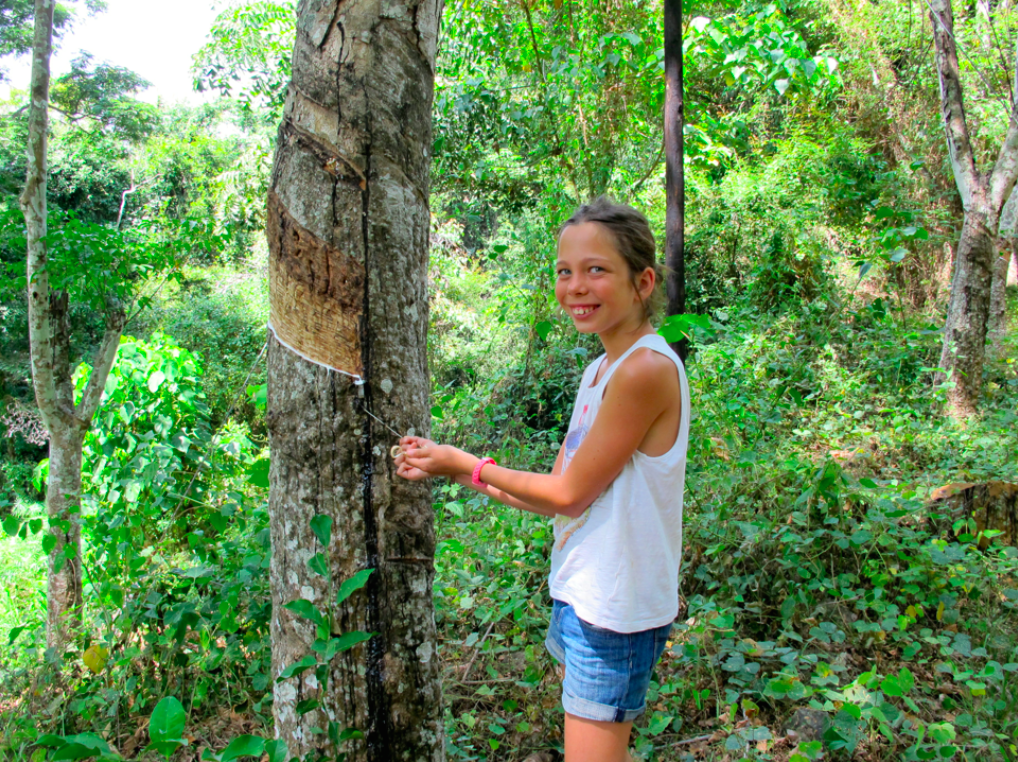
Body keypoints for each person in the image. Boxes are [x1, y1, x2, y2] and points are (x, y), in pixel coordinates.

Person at [395, 197, 690, 762]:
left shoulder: (644, 370)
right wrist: (455, 469)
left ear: (643, 281)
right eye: (564, 271)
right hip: (583, 596)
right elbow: (560, 498)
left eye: (596, 270)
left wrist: (466, 463)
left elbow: (568, 493)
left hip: (615, 614)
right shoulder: (598, 370)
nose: (575, 286)